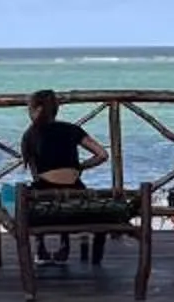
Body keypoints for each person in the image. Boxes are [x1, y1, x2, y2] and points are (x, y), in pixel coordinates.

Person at [19, 90, 110, 264]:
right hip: (76, 194)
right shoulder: (72, 129)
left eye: (29, 109)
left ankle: (41, 248)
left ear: (38, 109)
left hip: (45, 200)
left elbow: (36, 174)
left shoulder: (30, 135)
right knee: (66, 195)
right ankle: (64, 245)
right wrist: (81, 167)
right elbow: (102, 155)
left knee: (35, 192)